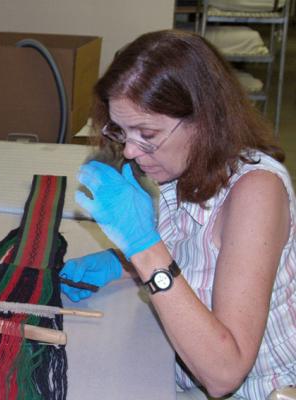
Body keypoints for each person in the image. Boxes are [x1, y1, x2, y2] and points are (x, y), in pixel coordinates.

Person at [60, 30, 295, 399]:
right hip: (183, 366)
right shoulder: (183, 167)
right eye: (122, 132)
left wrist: (144, 248)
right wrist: (120, 263)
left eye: (147, 134)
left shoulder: (256, 192)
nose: (132, 151)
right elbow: (195, 256)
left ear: (203, 118)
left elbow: (225, 373)